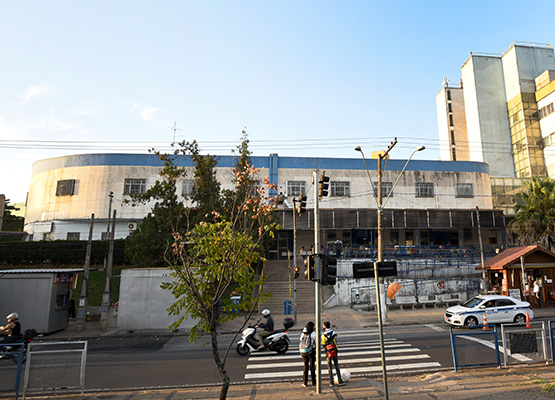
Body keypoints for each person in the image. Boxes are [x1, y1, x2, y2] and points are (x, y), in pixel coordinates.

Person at [321, 321, 345, 387]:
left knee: (329, 367)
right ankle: (340, 381)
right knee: (336, 365)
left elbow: (323, 344)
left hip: (328, 352)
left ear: (325, 326)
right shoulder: (333, 333)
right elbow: (335, 341)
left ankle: (331, 382)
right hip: (334, 351)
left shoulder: (323, 335)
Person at [299, 321, 316, 387]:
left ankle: (304, 382)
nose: (314, 327)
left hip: (303, 351)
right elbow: (316, 343)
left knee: (305, 366)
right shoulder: (313, 334)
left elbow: (300, 340)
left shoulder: (303, 333)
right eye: (314, 326)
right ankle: (314, 382)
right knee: (312, 367)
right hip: (310, 351)